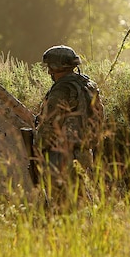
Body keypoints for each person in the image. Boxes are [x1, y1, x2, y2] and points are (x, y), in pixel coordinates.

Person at [34, 45, 102, 195]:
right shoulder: (88, 85)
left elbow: (48, 126)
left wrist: (37, 147)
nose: (49, 72)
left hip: (61, 157)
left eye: (50, 67)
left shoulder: (61, 90)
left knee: (61, 204)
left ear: (54, 67)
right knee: (82, 199)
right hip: (85, 154)